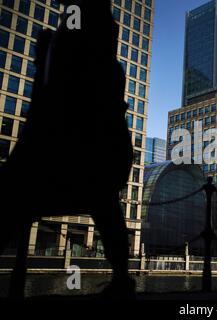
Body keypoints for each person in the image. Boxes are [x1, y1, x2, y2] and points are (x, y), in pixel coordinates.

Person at [0, 0, 134, 298]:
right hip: (93, 152)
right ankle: (122, 279)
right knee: (104, 204)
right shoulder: (103, 60)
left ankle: (122, 278)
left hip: (76, 150)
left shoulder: (79, 51)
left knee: (11, 199)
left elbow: (55, 102)